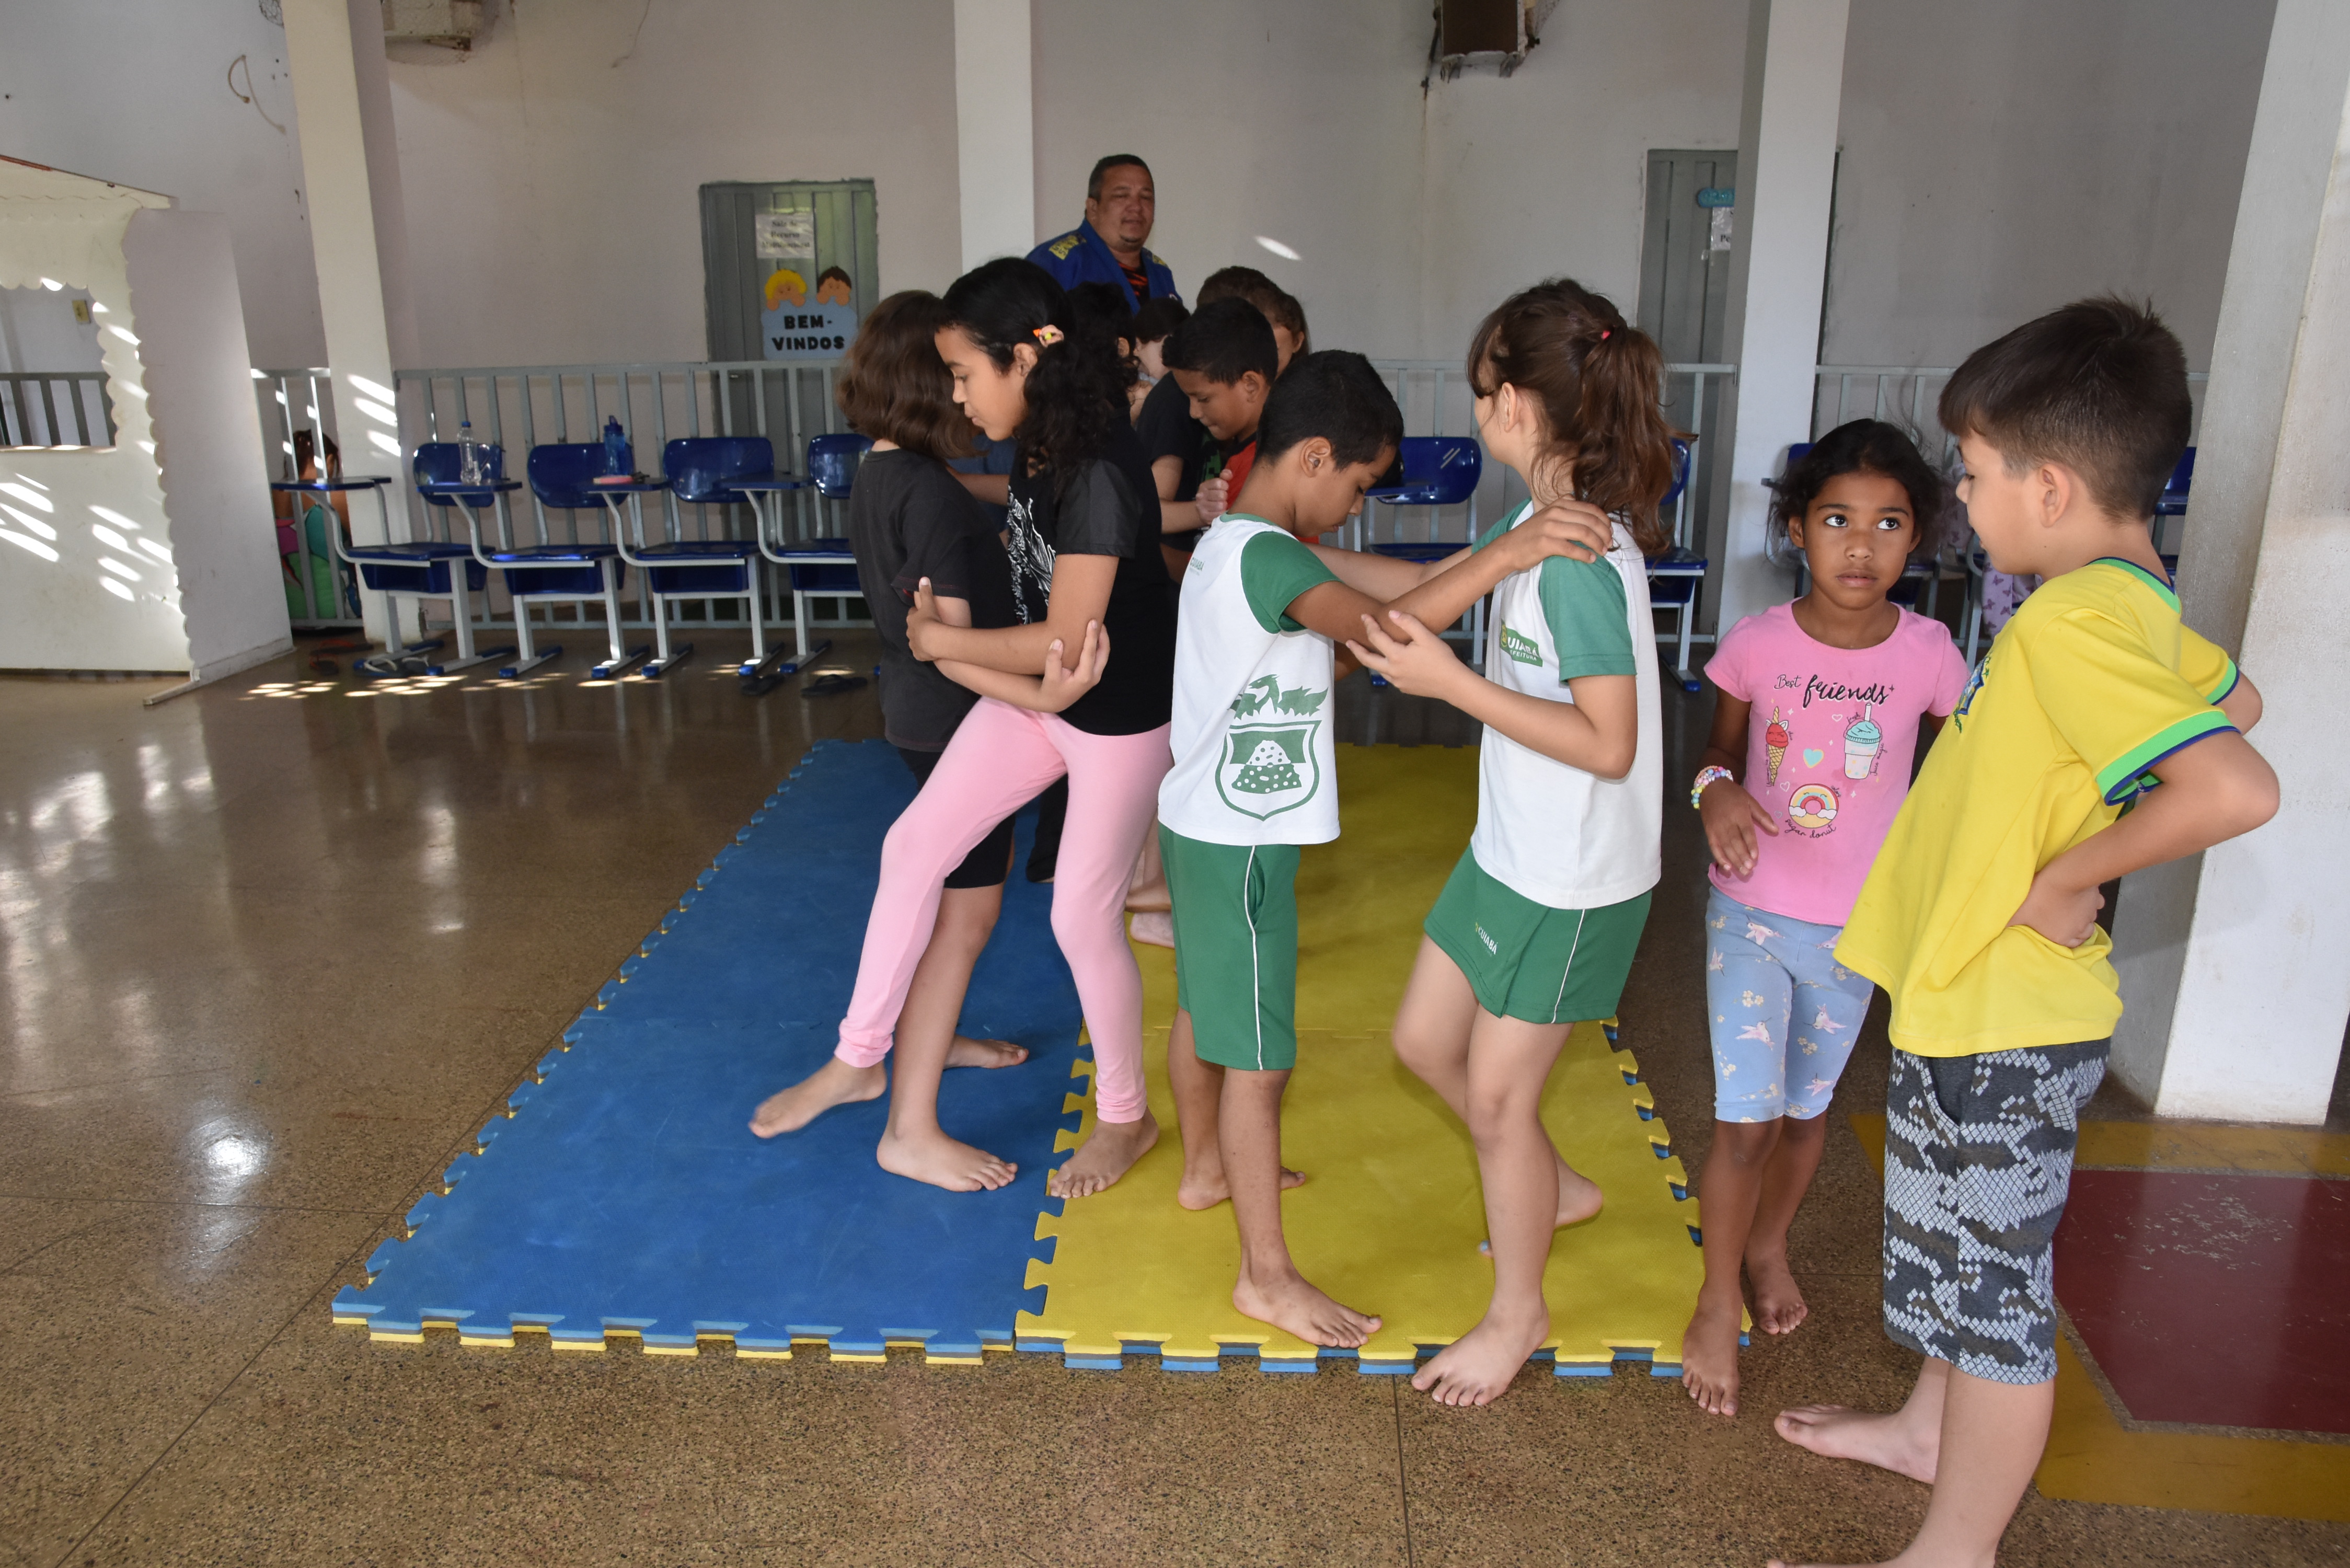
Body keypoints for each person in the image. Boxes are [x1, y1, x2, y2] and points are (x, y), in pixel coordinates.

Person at [1770, 298, 2277, 1568]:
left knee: (1996, 1300)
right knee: (1956, 1256)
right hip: (1974, 998)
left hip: (2008, 1016)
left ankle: (1957, 1548)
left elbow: (2232, 783)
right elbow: (2238, 698)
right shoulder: (2125, 599)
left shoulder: (2072, 619)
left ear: (2047, 487)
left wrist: (2070, 871)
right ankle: (1924, 1434)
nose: (1960, 491)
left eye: (1974, 469)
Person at [1158, 349, 1615, 1348]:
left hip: (1211, 831)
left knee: (1208, 1009)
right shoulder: (1272, 559)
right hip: (1238, 846)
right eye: (1359, 486)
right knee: (1258, 1064)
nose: (1357, 508)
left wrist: (1510, 544)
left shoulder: (1249, 543)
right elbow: (1381, 635)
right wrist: (1505, 558)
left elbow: (1404, 587)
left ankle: (1206, 1169)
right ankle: (1264, 1276)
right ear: (1316, 457)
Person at [1345, 279, 1673, 1406]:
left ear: (1520, 404)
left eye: (1483, 390)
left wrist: (1455, 687)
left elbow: (1611, 746)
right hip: (1512, 850)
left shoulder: (1577, 559)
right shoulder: (1540, 525)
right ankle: (1552, 1187)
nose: (1477, 410)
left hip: (1574, 880)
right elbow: (1422, 603)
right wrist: (1300, 559)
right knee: (1422, 1041)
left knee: (1495, 1099)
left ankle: (1517, 1313)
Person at [830, 258, 1178, 1201]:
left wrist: (945, 643)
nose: (956, 394)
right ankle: (860, 1056)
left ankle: (1126, 1117)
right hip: (1040, 703)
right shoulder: (1039, 438)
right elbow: (1029, 546)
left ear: (1023, 359)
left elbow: (1066, 637)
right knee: (914, 845)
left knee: (1079, 917)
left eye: (963, 374)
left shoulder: (1098, 467)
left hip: (1114, 720)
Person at [747, 291, 1110, 1190]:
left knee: (947, 903)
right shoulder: (934, 500)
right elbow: (948, 644)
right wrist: (1045, 693)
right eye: (951, 376)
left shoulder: (882, 475)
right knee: (965, 919)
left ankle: (925, 1039)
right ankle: (905, 1113)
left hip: (916, 716)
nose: (963, 393)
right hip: (957, 722)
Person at [1678, 420, 1971, 1419]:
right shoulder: (1758, 644)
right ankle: (1714, 1297)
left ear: (1917, 537)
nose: (1861, 546)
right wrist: (1714, 793)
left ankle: (1767, 1247)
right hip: (1751, 918)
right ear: (1797, 528)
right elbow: (1716, 756)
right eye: (1838, 520)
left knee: (1807, 1117)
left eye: (1888, 523)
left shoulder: (1931, 656)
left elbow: (1960, 783)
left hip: (1858, 934)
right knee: (1747, 1125)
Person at [1029, 155, 1180, 312]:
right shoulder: (1055, 262)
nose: (1137, 207)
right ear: (1093, 208)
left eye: (1146, 197)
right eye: (1122, 196)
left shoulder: (1161, 273)